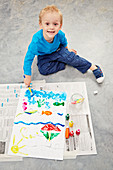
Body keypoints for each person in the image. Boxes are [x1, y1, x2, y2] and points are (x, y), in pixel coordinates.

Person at [23, 5, 104, 87]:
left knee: (72, 58)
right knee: (43, 70)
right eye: (47, 24)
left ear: (60, 26)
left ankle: (94, 67)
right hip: (44, 55)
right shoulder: (36, 41)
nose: (51, 27)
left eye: (55, 24)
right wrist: (27, 76)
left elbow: (64, 42)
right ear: (41, 25)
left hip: (58, 50)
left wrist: (67, 50)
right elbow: (28, 58)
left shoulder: (60, 34)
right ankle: (64, 62)